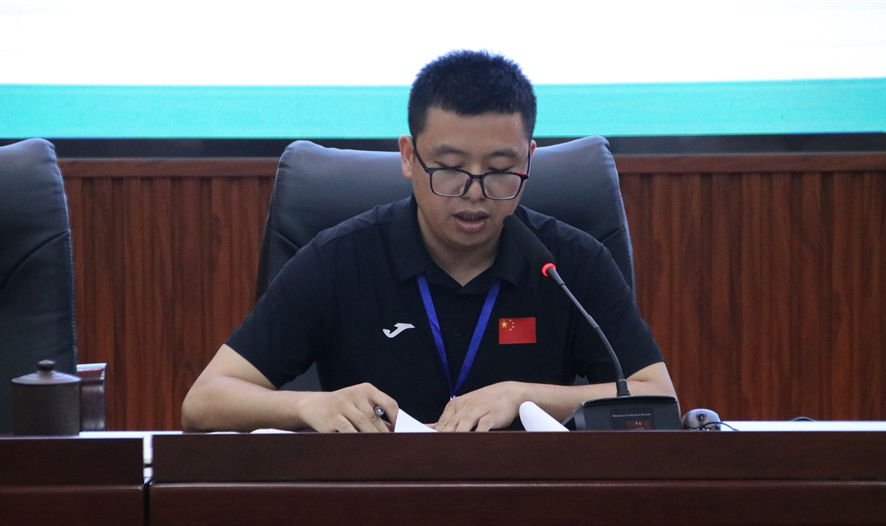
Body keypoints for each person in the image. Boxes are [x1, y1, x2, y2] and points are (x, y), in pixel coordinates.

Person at [182, 50, 676, 433]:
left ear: (529, 158)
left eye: (500, 170)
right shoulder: (340, 259)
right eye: (451, 168)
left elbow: (658, 397)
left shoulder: (567, 263)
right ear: (408, 156)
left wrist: (523, 396)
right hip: (373, 507)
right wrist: (310, 405)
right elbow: (204, 402)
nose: (474, 193)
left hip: (526, 506)